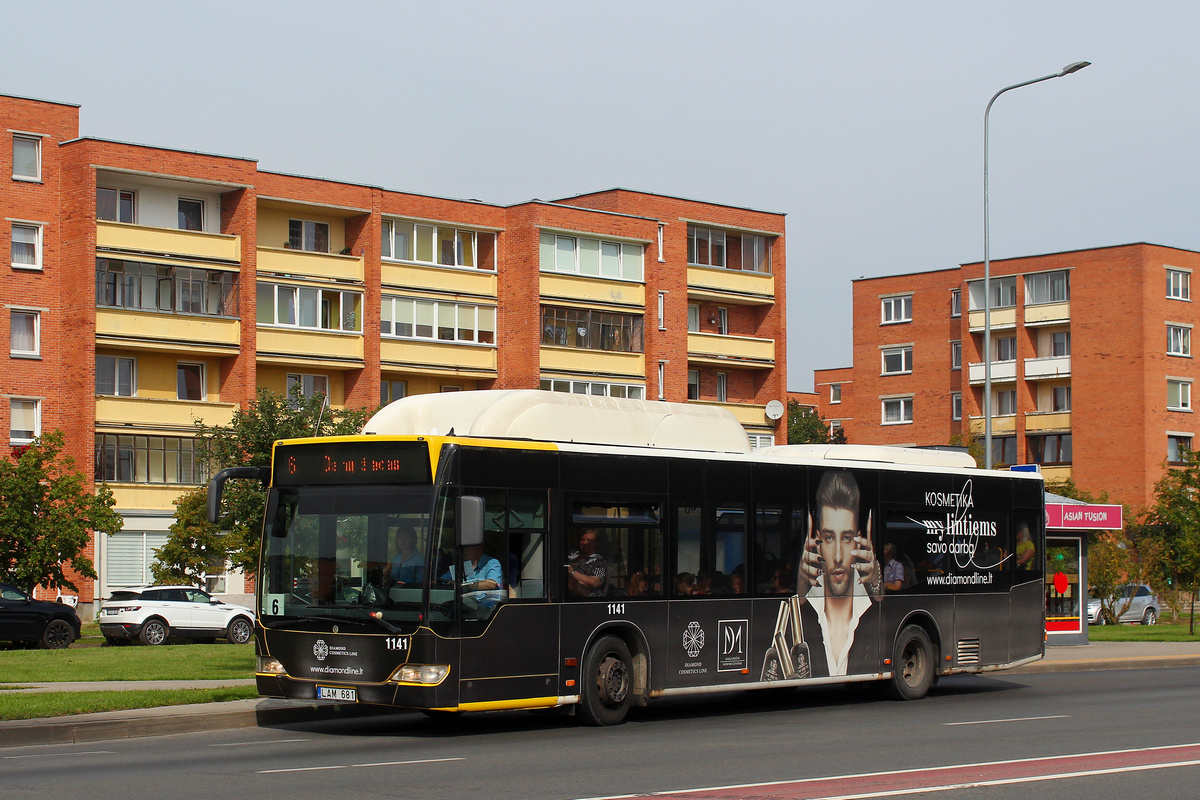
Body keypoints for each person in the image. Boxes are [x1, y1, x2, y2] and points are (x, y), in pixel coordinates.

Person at [791, 470, 882, 678]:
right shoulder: (796, 617)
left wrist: (877, 585)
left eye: (847, 538)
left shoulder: (876, 614)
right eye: (830, 538)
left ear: (859, 541)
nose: (839, 556)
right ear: (817, 541)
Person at [441, 543, 505, 607]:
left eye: (467, 547)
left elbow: (491, 584)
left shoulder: (492, 563)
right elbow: (442, 580)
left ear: (478, 548)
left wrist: (465, 586)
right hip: (462, 607)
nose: (464, 550)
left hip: (486, 610)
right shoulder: (462, 565)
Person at [567, 529, 608, 598]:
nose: (585, 543)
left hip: (588, 599)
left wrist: (572, 572)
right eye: (582, 540)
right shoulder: (571, 555)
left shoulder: (598, 561)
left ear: (596, 543)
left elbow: (594, 582)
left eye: (589, 540)